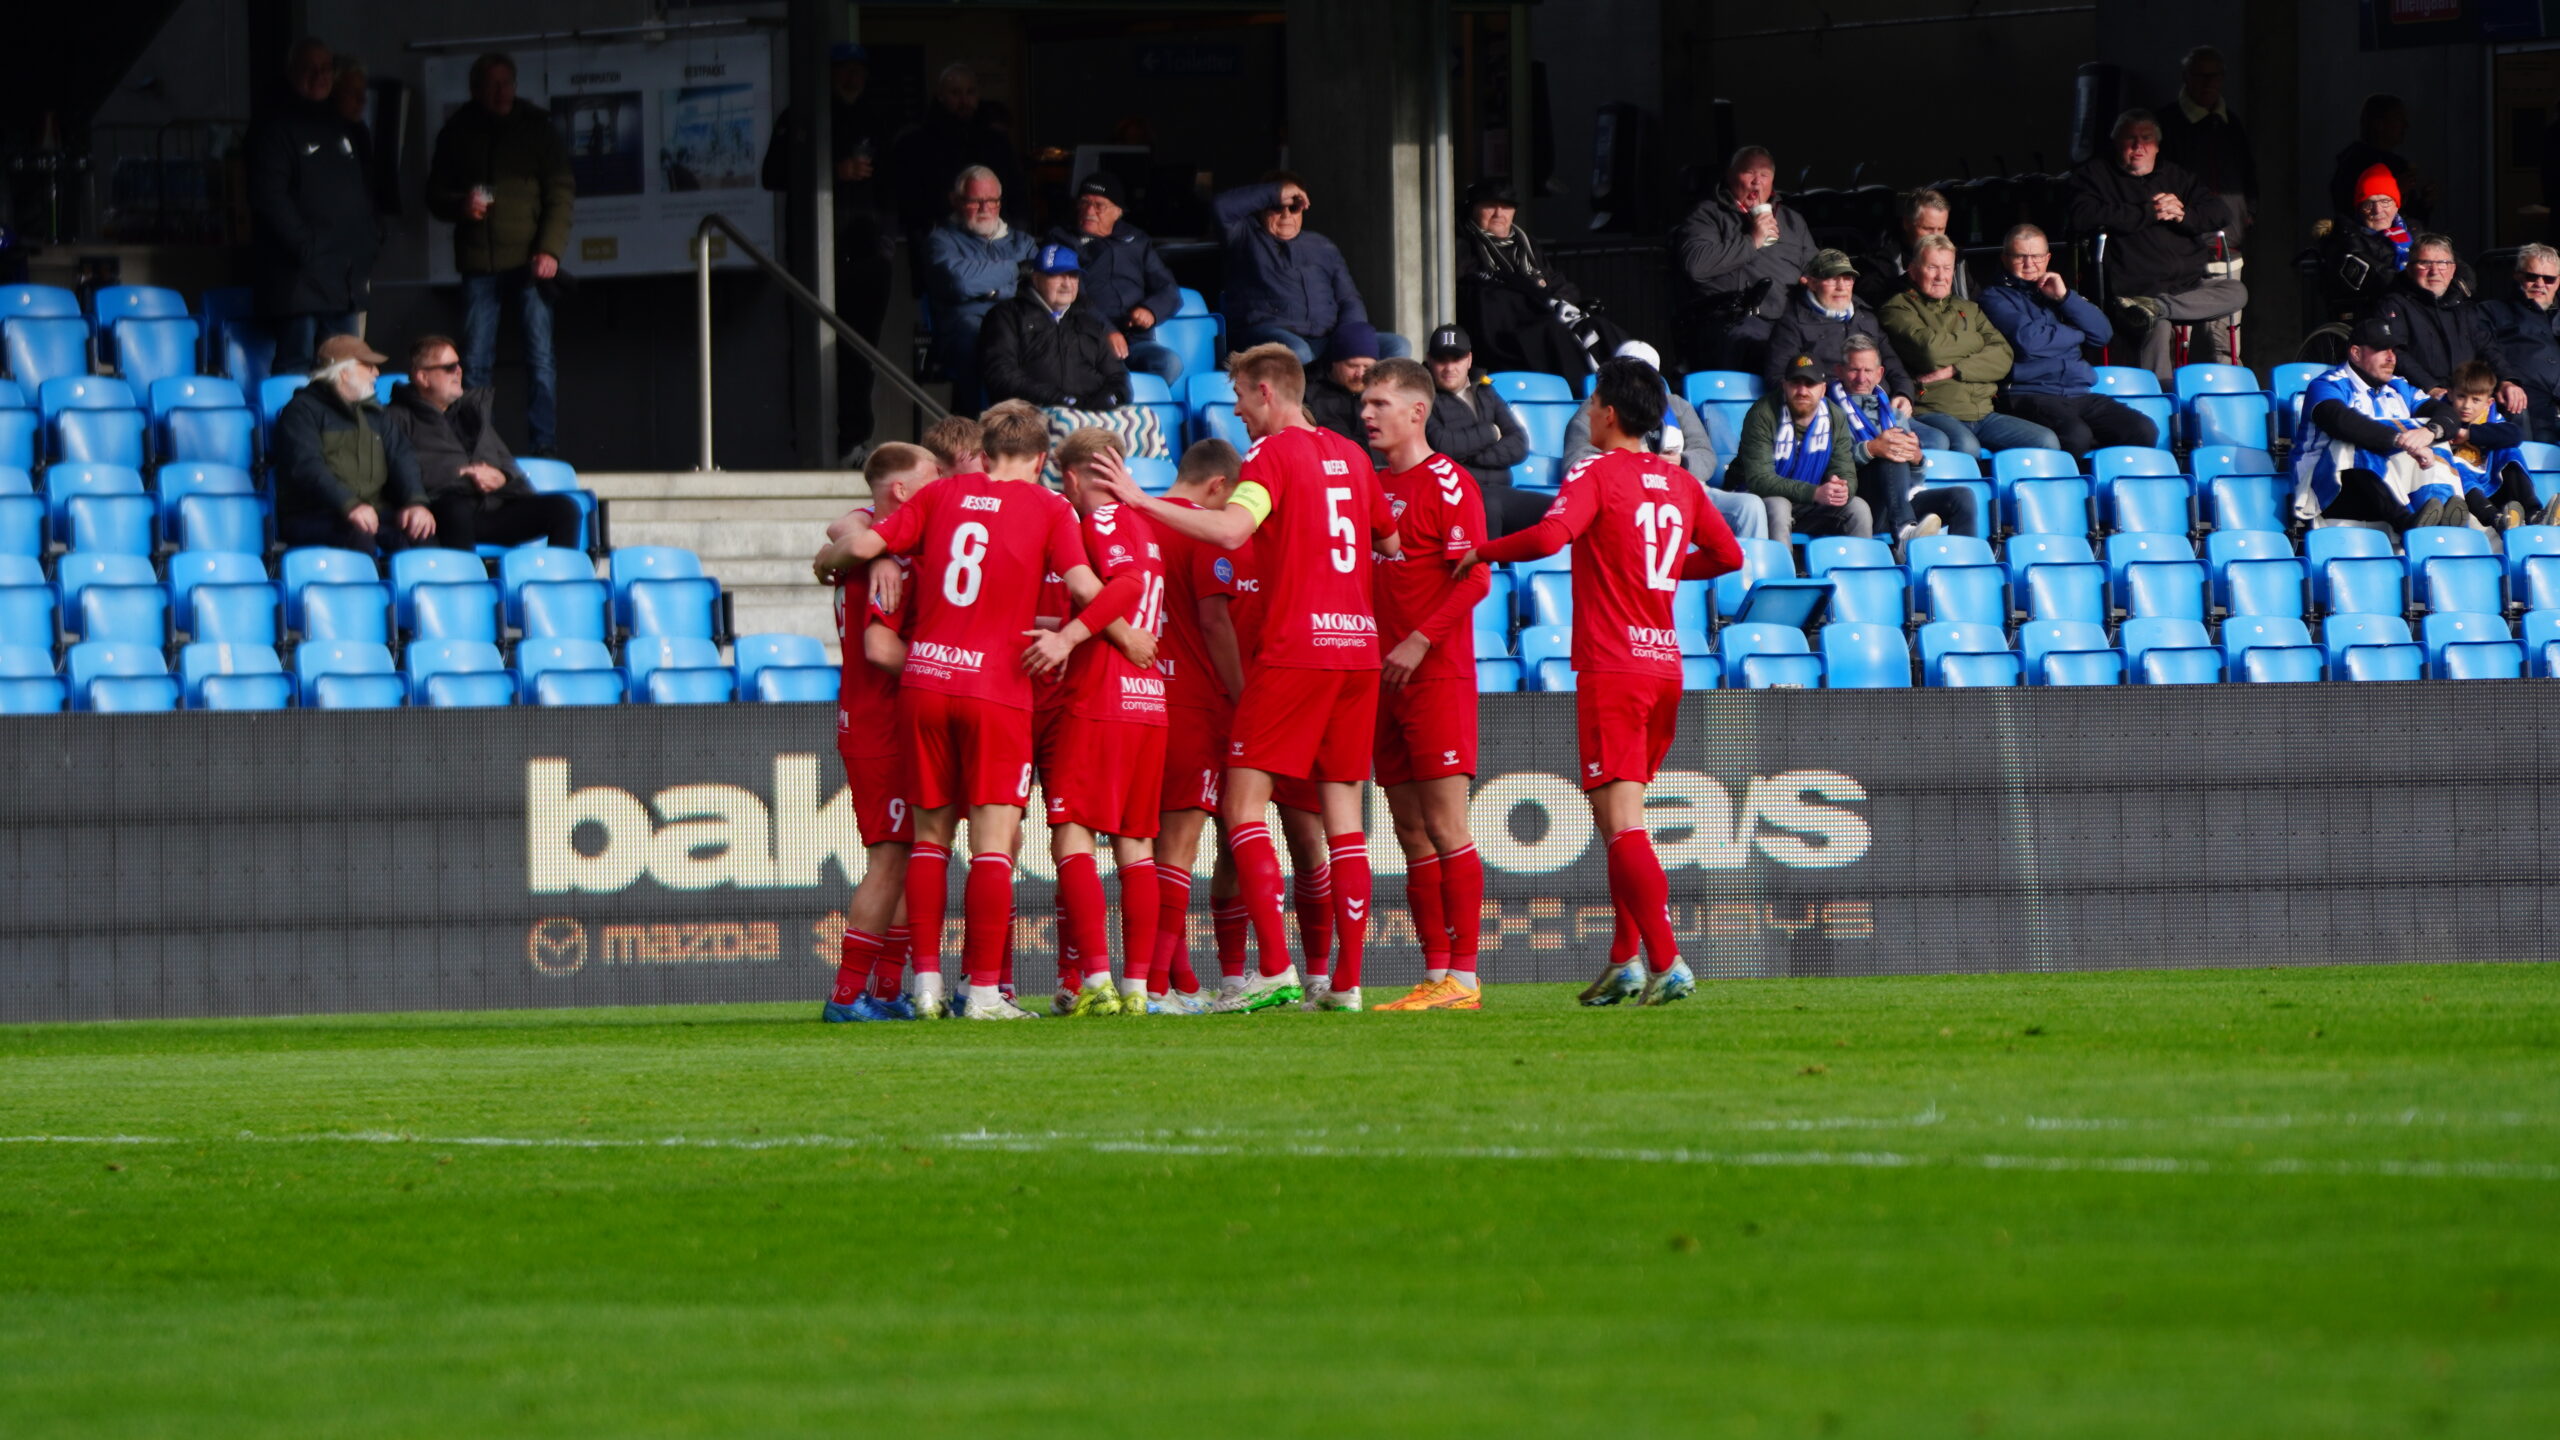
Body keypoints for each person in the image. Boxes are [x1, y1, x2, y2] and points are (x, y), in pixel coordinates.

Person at [1087, 343, 1402, 1014]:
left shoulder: (1271, 456)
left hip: (1297, 650)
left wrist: (1140, 501)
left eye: (1238, 398)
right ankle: (1345, 984)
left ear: (1266, 392)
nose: (1235, 412)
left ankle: (1279, 969)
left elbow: (1231, 530)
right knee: (1345, 822)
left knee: (1241, 808)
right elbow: (1390, 542)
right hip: (1359, 652)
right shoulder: (1351, 455)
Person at [1455, 357, 1743, 1007]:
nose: (1586, 411)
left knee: (1621, 825)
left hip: (1613, 668)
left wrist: (1482, 551)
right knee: (1619, 817)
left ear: (1609, 413)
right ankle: (1623, 960)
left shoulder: (1595, 470)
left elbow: (1553, 535)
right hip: (1665, 664)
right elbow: (1729, 556)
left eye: (1592, 403)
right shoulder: (1679, 484)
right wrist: (1661, 573)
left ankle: (1667, 961)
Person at [817, 406, 1104, 1021]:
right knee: (994, 845)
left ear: (987, 446)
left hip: (924, 683)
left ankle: (922, 989)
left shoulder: (942, 494)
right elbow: (1085, 588)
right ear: (1036, 459)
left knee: (927, 840)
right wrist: (1085, 633)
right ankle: (980, 992)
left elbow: (863, 540)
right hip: (995, 689)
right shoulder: (1049, 508)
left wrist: (829, 564)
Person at [1359, 359, 1491, 1012]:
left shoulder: (1449, 482)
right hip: (1380, 679)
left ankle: (1464, 978)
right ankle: (1436, 972)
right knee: (1408, 830)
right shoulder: (1372, 484)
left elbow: (1475, 577)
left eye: (1380, 403)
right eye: (1364, 403)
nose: (1366, 414)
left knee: (1445, 826)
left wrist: (1418, 639)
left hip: (1435, 673)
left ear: (1417, 410)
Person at [1032, 428, 1169, 1018]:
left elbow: (1125, 587)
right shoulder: (1146, 526)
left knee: (1072, 830)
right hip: (1149, 702)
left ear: (1069, 476)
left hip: (1101, 697)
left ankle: (1096, 981)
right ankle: (1137, 988)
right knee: (1136, 845)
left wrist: (1068, 637)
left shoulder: (1106, 522)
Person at [815, 441, 935, 1022]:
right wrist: (944, 664)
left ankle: (886, 989)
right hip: (878, 723)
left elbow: (833, 546)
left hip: (881, 719)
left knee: (907, 854)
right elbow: (880, 648)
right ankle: (846, 994)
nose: (941, 485)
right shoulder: (883, 556)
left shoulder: (867, 548)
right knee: (889, 858)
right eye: (931, 477)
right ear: (903, 492)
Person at [1143, 439, 1252, 1015]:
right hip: (1188, 701)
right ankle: (1156, 988)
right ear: (1217, 487)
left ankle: (1176, 981)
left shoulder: (1132, 520)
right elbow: (1214, 621)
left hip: (1129, 700)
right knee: (1178, 852)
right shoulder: (1203, 532)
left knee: (1139, 850)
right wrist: (1242, 695)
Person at [424, 52, 574, 457]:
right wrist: (460, 205)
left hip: (530, 265)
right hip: (480, 265)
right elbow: (434, 195)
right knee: (473, 364)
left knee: (540, 359)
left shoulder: (537, 129)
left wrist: (549, 250)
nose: (502, 91)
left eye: (507, 82)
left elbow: (561, 194)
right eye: (493, 84)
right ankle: (475, 446)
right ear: (475, 90)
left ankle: (543, 446)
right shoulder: (457, 131)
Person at [762, 42, 898, 466]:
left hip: (869, 256)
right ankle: (803, 440)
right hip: (814, 258)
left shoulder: (878, 120)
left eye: (858, 70)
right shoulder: (801, 116)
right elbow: (772, 173)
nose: (851, 78)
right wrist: (831, 170)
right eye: (843, 70)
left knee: (860, 353)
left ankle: (853, 443)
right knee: (809, 349)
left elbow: (897, 184)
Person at [2067, 108, 2245, 383]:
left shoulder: (2177, 177)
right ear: (2117, 142)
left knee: (2236, 291)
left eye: (2146, 139)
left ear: (2157, 146)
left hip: (2186, 286)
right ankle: (2160, 403)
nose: (2139, 146)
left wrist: (2183, 215)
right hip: (2132, 289)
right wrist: (2148, 212)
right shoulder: (2095, 175)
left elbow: (2220, 213)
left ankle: (2158, 307)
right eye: (2130, 138)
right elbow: (2082, 216)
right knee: (2156, 327)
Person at [246, 37, 378, 374]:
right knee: (296, 368)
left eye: (326, 69)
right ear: (292, 73)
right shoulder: (274, 127)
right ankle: (292, 429)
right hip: (298, 284)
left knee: (346, 371)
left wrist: (370, 240)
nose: (320, 76)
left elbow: (361, 197)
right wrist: (306, 245)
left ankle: (337, 431)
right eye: (310, 69)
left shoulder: (342, 128)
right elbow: (269, 196)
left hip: (342, 282)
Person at [384, 334, 584, 552]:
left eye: (459, 365)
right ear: (423, 377)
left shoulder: (472, 412)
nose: (459, 371)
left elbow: (508, 466)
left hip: (493, 508)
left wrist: (502, 478)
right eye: (449, 367)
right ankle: (466, 583)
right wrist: (464, 478)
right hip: (445, 513)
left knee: (565, 508)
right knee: (455, 509)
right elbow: (401, 474)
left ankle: (557, 583)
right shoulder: (396, 417)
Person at [1562, 339, 1773, 542]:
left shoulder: (1678, 406)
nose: (1635, 384)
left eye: (1643, 376)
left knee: (1749, 506)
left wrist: (1682, 461)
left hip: (1684, 489)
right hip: (1628, 497)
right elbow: (1575, 466)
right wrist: (1631, 466)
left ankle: (1746, 577)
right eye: (1629, 375)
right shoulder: (1595, 409)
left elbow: (1706, 456)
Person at [1978, 225, 2159, 454]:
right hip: (2029, 393)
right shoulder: (1993, 297)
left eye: (2036, 257)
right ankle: (2076, 486)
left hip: (2078, 392)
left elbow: (2102, 334)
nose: (2029, 264)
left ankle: (2114, 484)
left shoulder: (2059, 292)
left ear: (2048, 258)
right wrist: (2076, 332)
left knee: (2142, 429)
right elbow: (2029, 343)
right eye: (2020, 256)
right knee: (2076, 436)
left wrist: (2065, 298)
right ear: (2005, 258)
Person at [1879, 236, 2059, 457]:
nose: (1941, 276)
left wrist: (1954, 369)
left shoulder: (1969, 308)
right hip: (1934, 411)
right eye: (1932, 267)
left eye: (1947, 268)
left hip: (1983, 413)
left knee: (2046, 441)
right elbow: (1930, 352)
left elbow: (2003, 356)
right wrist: (1976, 340)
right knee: (1967, 447)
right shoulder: (1898, 308)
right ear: (1913, 270)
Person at [2291, 315, 2465, 532]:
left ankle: (2441, 511)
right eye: (2382, 349)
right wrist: (2403, 440)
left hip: (2385, 491)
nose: (2391, 358)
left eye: (2393, 350)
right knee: (2354, 442)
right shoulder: (2327, 384)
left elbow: (2447, 413)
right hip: (2328, 493)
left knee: (2434, 434)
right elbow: (2341, 422)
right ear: (2355, 353)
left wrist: (2429, 433)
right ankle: (2406, 523)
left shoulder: (2399, 387)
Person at [1213, 173, 1409, 365]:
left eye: (1294, 207)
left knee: (1396, 346)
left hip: (1327, 338)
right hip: (1266, 334)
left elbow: (1349, 299)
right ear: (1262, 208)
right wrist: (1276, 191)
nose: (1286, 214)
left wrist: (1350, 339)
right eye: (1277, 206)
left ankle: (1372, 398)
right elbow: (1221, 207)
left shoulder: (1322, 245)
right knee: (1298, 352)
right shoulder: (1243, 238)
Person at [273, 335, 433, 554]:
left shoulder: (376, 413)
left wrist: (415, 502)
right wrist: (349, 504)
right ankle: (368, 589)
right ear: (343, 371)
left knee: (422, 531)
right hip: (315, 514)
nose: (376, 373)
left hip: (372, 512)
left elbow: (402, 457)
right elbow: (306, 467)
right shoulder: (302, 410)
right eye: (368, 366)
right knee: (357, 535)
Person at [1455, 177, 1628, 380]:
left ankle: (1633, 387)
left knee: (1600, 327)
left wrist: (1555, 302)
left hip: (1547, 315)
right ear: (1474, 209)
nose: (1498, 214)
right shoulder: (1464, 246)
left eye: (1506, 207)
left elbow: (1559, 284)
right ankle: (1587, 394)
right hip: (1510, 330)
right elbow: (1482, 294)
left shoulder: (1528, 245)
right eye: (1490, 206)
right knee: (1554, 334)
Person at [1675, 146, 1817, 371]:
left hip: (1788, 319)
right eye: (1749, 173)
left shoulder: (1792, 221)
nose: (1756, 182)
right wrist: (1753, 240)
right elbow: (1696, 265)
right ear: (1730, 176)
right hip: (1734, 320)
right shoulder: (1708, 214)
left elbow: (1815, 269)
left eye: (1764, 175)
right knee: (1771, 353)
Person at [1832, 336, 1978, 545]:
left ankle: (1965, 564)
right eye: (1854, 370)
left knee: (1962, 496)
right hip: (1857, 503)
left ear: (1880, 373)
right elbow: (1827, 465)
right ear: (1839, 371)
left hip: (1897, 502)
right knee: (1890, 452)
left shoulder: (1893, 413)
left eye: (1868, 371)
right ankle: (1904, 532)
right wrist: (1871, 449)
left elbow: (1912, 480)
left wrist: (1917, 459)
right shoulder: (1826, 410)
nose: (1861, 378)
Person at [1046, 171, 1183, 383]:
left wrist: (1150, 310)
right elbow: (1069, 297)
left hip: (1136, 341)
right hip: (1087, 341)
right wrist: (1105, 332)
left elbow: (1169, 290)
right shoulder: (1063, 240)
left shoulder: (1136, 240)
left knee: (1169, 363)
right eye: (1084, 203)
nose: (1090, 211)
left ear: (1118, 212)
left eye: (1099, 205)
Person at [922, 165, 1037, 413]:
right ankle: (978, 431)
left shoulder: (1022, 242)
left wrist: (992, 290)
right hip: (966, 332)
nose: (986, 209)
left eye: (992, 201)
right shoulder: (941, 241)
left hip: (1018, 323)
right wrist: (1016, 269)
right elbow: (960, 282)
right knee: (984, 341)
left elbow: (1037, 287)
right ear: (956, 200)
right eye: (976, 201)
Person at [1421, 323, 1548, 537]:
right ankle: (1488, 570)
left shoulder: (1485, 389)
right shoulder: (1422, 395)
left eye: (1457, 359)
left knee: (1559, 509)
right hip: (1458, 497)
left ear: (1469, 360)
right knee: (1488, 508)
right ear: (1430, 360)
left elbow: (1519, 444)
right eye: (1442, 360)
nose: (1449, 368)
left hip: (1504, 492)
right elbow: (1443, 445)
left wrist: (1469, 457)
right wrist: (1492, 434)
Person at [1730, 354, 1873, 542]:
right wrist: (1814, 492)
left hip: (1809, 503)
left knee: (1857, 507)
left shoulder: (1835, 416)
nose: (1802, 391)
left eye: (1810, 384)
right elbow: (1760, 480)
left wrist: (1842, 488)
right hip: (1758, 499)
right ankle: (1782, 570)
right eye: (1795, 383)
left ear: (1823, 389)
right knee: (1779, 506)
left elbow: (1845, 470)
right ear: (1784, 385)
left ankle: (1858, 569)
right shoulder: (1763, 414)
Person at [978, 244, 1129, 411]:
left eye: (1073, 276)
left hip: (1091, 413)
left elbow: (1117, 376)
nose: (1067, 284)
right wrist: (1060, 400)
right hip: (1030, 414)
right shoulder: (1005, 315)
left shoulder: (1090, 321)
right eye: (1058, 276)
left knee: (1146, 420)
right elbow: (1001, 375)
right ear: (1036, 279)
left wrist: (1109, 399)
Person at [891, 63, 1026, 250]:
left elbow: (1015, 191)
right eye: (956, 93)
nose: (964, 100)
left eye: (970, 92)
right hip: (936, 239)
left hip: (991, 240)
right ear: (940, 96)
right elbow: (909, 198)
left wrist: (1013, 231)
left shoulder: (996, 142)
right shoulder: (917, 142)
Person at [1764, 248, 1915, 402]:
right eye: (1831, 278)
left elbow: (1892, 363)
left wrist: (1904, 394)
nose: (1841, 287)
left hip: (1883, 407)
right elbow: (1777, 378)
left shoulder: (1866, 317)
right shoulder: (1792, 324)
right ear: (1812, 283)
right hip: (1830, 414)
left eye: (1847, 278)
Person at [2154, 46, 2257, 251]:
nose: (2208, 83)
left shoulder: (2230, 123)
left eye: (2215, 75)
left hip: (2231, 234)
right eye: (2200, 75)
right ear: (2186, 77)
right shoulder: (2167, 122)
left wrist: (2249, 210)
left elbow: (2247, 170)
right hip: (2184, 237)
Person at [2372, 235, 2487, 397]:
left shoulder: (2464, 304)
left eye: (2442, 263)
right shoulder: (2394, 304)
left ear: (2452, 270)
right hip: (2419, 394)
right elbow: (2395, 352)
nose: (2434, 271)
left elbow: (2487, 346)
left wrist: (2508, 381)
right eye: (2425, 263)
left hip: (2468, 394)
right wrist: (2431, 386)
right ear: (2410, 269)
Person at [2483, 244, 2560, 444]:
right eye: (2532, 277)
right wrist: (2506, 380)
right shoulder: (2494, 311)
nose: (2540, 284)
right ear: (2518, 276)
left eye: (2549, 279)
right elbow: (2485, 349)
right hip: (2526, 403)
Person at [2316, 163, 2414, 321]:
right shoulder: (2346, 239)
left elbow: (2451, 262)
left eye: (2385, 201)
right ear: (2359, 208)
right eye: (2369, 203)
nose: (2377, 210)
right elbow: (2379, 277)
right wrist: (2420, 280)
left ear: (2397, 204)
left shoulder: (2414, 230)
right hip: (2372, 317)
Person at [2329, 93, 2434, 226]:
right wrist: (2393, 192)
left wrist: (2425, 203)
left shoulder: (2398, 165)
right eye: (2398, 119)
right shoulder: (2353, 163)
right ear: (2379, 124)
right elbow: (2348, 209)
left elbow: (2410, 220)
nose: (2405, 126)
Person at [1856, 188, 1966, 308]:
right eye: (1927, 229)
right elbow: (1872, 308)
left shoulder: (1956, 259)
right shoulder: (1878, 262)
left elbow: (1975, 301)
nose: (1935, 236)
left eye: (1940, 229)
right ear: (1907, 224)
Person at [1303, 321, 1378, 446]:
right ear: (1334, 363)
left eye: (1367, 366)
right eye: (1352, 366)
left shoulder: (1384, 395)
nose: (1360, 374)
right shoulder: (1309, 395)